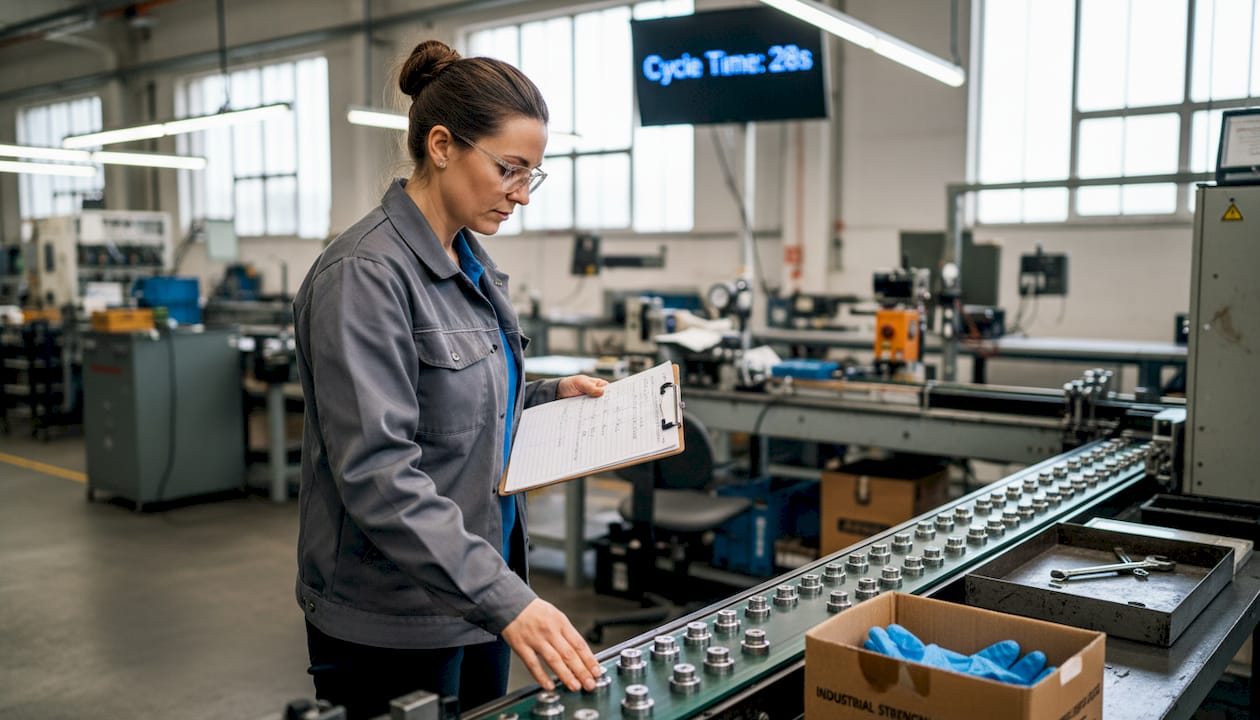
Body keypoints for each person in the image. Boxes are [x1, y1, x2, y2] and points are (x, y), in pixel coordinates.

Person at [293, 39, 607, 720]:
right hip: (392, 617)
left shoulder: (472, 266)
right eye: (510, 170)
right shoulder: (365, 277)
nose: (523, 195)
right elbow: (378, 471)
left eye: (534, 176)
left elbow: (459, 403)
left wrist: (552, 399)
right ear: (442, 146)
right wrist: (508, 601)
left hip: (476, 595)